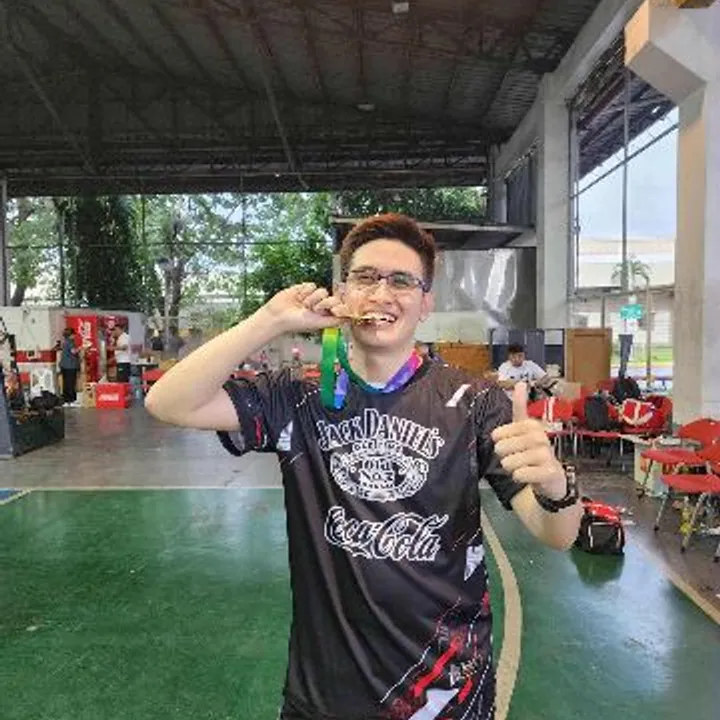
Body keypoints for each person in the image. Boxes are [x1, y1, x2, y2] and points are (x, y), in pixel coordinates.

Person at [145, 213, 582, 720]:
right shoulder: (298, 397)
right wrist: (270, 320)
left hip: (444, 693)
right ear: (342, 292)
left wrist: (555, 485)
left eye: (402, 281)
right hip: (325, 696)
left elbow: (557, 534)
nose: (381, 294)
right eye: (366, 277)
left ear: (425, 303)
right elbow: (167, 402)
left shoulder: (475, 401)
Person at [57, 327, 81, 405]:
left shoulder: (65, 342)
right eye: (74, 334)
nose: (74, 336)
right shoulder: (70, 342)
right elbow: (73, 351)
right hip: (70, 366)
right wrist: (81, 348)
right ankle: (71, 400)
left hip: (65, 366)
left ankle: (67, 399)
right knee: (70, 383)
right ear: (71, 335)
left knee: (66, 383)